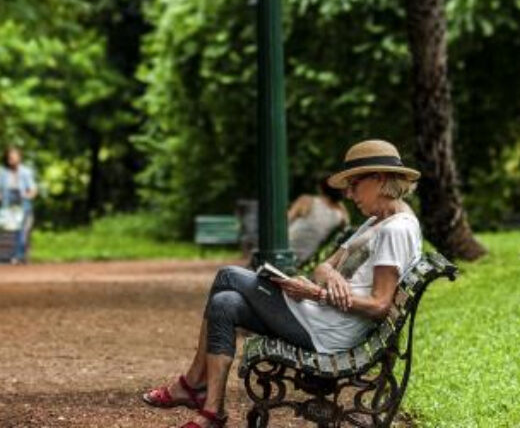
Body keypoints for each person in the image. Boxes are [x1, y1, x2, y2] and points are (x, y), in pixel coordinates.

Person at [140, 140, 423, 428]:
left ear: (380, 178)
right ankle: (213, 410)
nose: (349, 194)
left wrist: (316, 293)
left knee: (228, 275)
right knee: (223, 304)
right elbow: (323, 266)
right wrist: (332, 277)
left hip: (326, 332)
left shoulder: (396, 230)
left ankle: (192, 385)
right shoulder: (376, 222)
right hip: (316, 316)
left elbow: (379, 305)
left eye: (354, 183)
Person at [0, 146, 37, 263]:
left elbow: (33, 189)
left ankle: (22, 255)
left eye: (14, 157)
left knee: (23, 230)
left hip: (22, 204)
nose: (12, 159)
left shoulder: (26, 172)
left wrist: (28, 195)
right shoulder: (2, 172)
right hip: (6, 205)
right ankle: (0, 255)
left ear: (19, 158)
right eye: (10, 157)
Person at [287, 178, 350, 262]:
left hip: (286, 247)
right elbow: (347, 226)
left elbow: (287, 220)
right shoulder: (340, 214)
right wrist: (340, 204)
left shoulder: (307, 200)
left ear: (321, 189)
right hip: (304, 257)